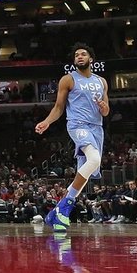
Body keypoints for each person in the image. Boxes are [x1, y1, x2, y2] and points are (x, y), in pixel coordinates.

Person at [35, 43, 109, 233]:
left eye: (83, 54)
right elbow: (59, 107)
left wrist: (103, 107)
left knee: (88, 169)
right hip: (77, 125)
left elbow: (106, 110)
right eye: (76, 55)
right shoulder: (68, 80)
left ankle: (58, 210)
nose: (79, 57)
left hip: (97, 128)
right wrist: (47, 121)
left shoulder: (101, 81)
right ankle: (66, 207)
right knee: (94, 159)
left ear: (91, 59)